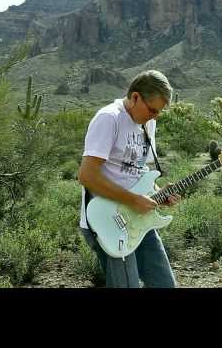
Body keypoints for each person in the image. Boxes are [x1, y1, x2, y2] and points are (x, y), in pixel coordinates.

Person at [78, 70, 181, 288]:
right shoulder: (109, 118)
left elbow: (137, 170)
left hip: (139, 218)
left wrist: (158, 192)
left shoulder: (148, 124)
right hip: (107, 220)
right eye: (152, 110)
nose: (155, 116)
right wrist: (133, 200)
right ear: (135, 97)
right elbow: (87, 175)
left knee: (165, 284)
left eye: (159, 112)